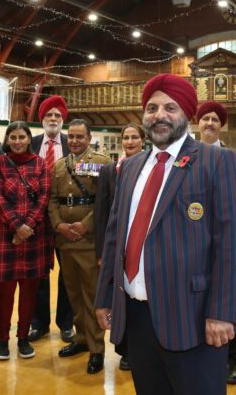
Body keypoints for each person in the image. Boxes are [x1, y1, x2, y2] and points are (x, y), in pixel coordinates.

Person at [95, 74, 236, 395]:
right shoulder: (131, 167)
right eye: (151, 108)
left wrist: (222, 313)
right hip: (136, 318)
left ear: (188, 114)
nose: (159, 115)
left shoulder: (218, 161)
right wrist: (105, 295)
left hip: (193, 317)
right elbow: (114, 237)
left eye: (170, 107)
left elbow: (232, 243)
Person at [0, 122, 52, 361]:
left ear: (28, 139)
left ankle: (23, 338)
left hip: (33, 237)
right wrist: (17, 226)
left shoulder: (40, 164)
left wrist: (27, 227)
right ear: (7, 139)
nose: (17, 141)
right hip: (5, 237)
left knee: (29, 293)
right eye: (12, 137)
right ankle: (3, 339)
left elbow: (44, 197)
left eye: (21, 136)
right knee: (5, 293)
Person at [48, 119, 110, 374]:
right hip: (65, 240)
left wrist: (85, 225)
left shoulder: (102, 163)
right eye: (70, 137)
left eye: (79, 137)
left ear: (89, 137)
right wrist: (59, 224)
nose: (74, 141)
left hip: (88, 239)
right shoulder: (59, 166)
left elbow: (105, 201)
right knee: (73, 293)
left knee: (92, 295)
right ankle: (81, 339)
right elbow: (52, 200)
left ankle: (96, 349)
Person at [196, 100, 236, 385]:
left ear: (222, 124)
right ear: (198, 123)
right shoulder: (185, 157)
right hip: (195, 244)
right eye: (205, 119)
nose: (210, 123)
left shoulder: (234, 160)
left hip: (224, 241)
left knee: (229, 299)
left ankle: (230, 360)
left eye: (215, 119)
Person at [93, 123, 145, 371]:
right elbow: (102, 213)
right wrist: (103, 252)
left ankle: (138, 346)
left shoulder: (150, 168)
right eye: (126, 137)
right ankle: (124, 348)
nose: (130, 141)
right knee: (118, 296)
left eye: (135, 137)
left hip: (139, 244)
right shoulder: (109, 170)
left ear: (143, 141)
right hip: (116, 246)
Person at [28, 95, 75, 344]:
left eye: (57, 115)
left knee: (67, 272)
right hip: (35, 220)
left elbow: (89, 173)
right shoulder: (30, 143)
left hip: (64, 219)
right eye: (49, 115)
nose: (53, 119)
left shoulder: (72, 144)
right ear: (42, 119)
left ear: (62, 119)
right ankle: (39, 323)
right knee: (37, 273)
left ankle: (66, 323)